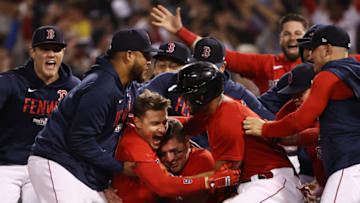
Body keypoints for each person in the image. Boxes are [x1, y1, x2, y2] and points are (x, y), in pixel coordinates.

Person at [27, 28, 160, 203]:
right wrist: (120, 168)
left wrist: (103, 184)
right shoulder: (101, 87)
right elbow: (80, 140)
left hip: (81, 169)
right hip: (57, 162)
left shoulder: (128, 87)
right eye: (146, 56)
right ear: (129, 55)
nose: (150, 62)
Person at [243, 25, 360, 203]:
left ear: (328, 49)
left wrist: (265, 128)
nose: (310, 56)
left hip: (349, 164)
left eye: (314, 50)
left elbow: (300, 120)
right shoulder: (354, 69)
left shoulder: (328, 75)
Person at [170, 61, 303, 202]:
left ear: (202, 96)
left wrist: (175, 184)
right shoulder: (212, 110)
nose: (183, 99)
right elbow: (182, 127)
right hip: (257, 185)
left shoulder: (225, 118)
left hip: (271, 183)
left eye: (186, 95)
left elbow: (224, 175)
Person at [112, 90, 240, 203]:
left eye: (164, 122)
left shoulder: (149, 128)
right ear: (137, 122)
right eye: (156, 124)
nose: (162, 129)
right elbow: (164, 186)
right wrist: (212, 180)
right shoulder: (134, 145)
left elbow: (196, 120)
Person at [0, 25, 80, 203]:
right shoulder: (10, 83)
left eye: (56, 49)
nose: (51, 54)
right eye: (45, 49)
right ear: (33, 52)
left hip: (46, 166)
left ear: (63, 53)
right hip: (5, 165)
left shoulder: (74, 89)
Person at [150, 5, 309, 94]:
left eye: (297, 33)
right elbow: (217, 53)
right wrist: (180, 32)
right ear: (280, 38)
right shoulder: (266, 63)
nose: (292, 38)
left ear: (306, 37)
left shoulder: (317, 66)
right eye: (286, 34)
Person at [158, 118, 215, 203]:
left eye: (176, 151)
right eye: (162, 154)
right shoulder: (152, 160)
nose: (170, 159)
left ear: (187, 143)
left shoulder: (203, 161)